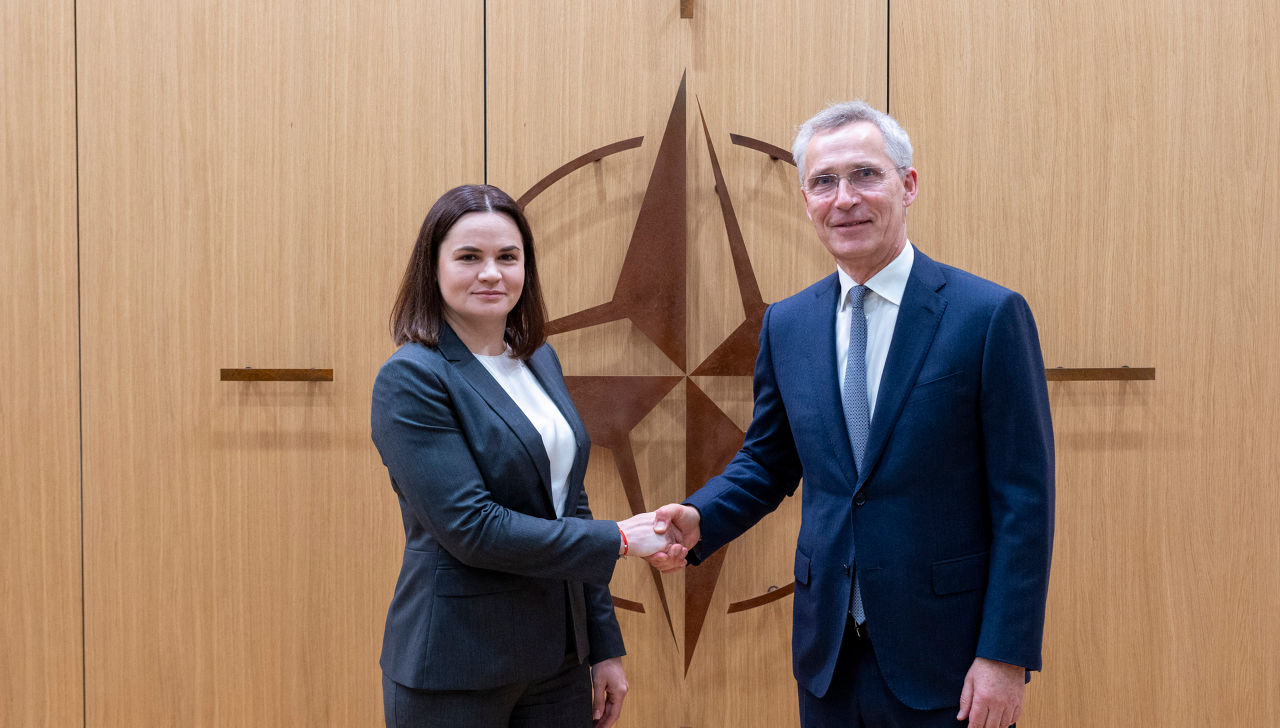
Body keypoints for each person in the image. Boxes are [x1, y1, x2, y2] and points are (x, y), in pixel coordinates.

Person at [646, 101, 1054, 728]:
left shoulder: (987, 315)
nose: (845, 199)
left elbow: (1024, 501)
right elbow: (769, 460)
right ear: (805, 198)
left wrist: (1004, 654)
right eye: (823, 181)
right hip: (828, 653)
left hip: (949, 659)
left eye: (866, 174)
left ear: (908, 185)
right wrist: (702, 516)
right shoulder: (788, 324)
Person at [371, 184, 686, 728]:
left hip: (557, 661)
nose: (491, 273)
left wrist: (603, 645)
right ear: (434, 267)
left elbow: (570, 502)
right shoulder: (412, 377)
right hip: (457, 664)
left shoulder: (539, 358)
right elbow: (473, 528)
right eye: (469, 257)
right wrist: (622, 538)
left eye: (507, 257)